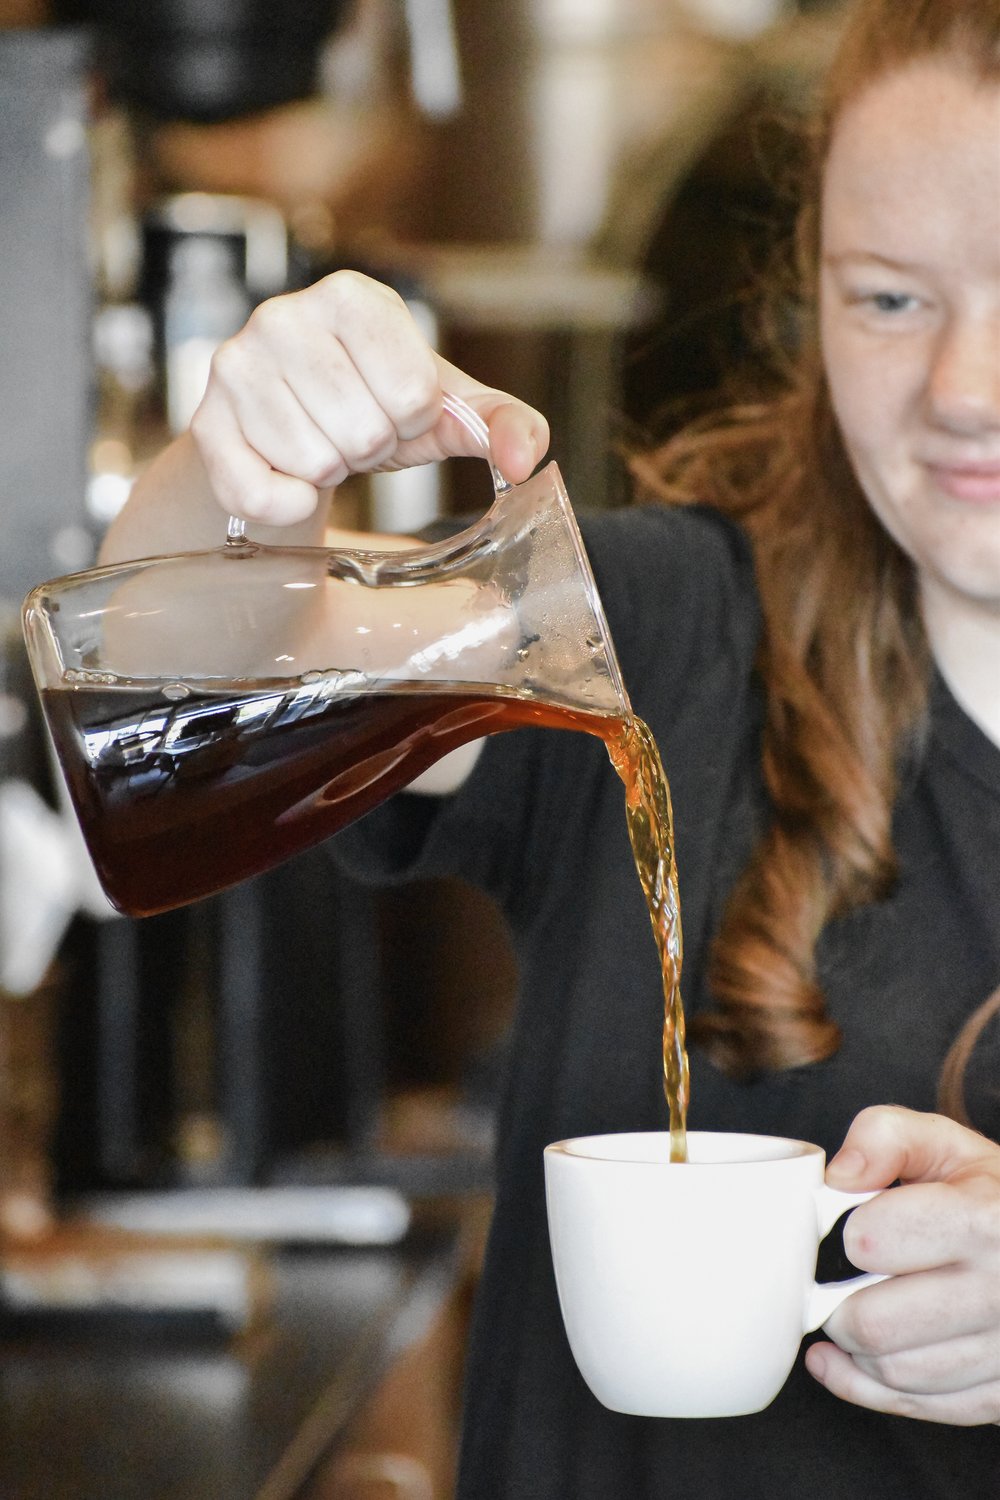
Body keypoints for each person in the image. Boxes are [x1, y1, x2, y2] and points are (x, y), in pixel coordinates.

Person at [104, 0, 1000, 1494]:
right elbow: (160, 723)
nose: (964, 386)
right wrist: (237, 472)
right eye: (889, 299)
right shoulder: (651, 629)